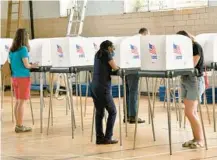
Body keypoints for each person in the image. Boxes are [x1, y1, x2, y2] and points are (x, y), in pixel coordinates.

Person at [176, 30, 205, 149]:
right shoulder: (183, 49)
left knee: (190, 112)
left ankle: (200, 140)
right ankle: (195, 138)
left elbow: (191, 64)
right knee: (190, 112)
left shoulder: (196, 46)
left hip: (195, 80)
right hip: (185, 79)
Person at [90, 40, 120, 145]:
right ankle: (108, 137)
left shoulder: (97, 54)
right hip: (103, 87)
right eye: (112, 47)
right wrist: (118, 69)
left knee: (100, 113)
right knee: (113, 112)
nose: (113, 49)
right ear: (108, 47)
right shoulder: (107, 54)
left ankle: (99, 138)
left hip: (94, 86)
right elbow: (114, 67)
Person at [9, 28, 38, 133]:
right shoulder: (23, 49)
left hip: (15, 78)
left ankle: (18, 124)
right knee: (22, 102)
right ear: (25, 37)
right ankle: (20, 126)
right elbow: (26, 65)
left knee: (18, 101)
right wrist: (33, 65)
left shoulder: (12, 51)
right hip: (23, 78)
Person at [124, 28, 149, 124]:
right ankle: (133, 116)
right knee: (133, 92)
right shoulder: (141, 40)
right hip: (134, 69)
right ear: (145, 33)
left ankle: (126, 116)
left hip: (125, 68)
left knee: (127, 92)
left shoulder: (130, 39)